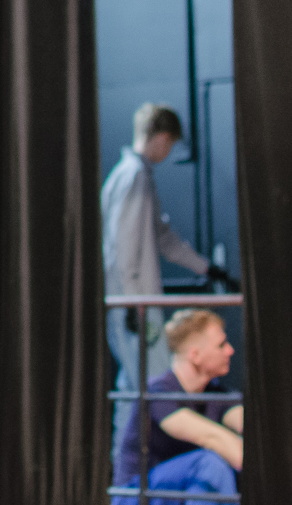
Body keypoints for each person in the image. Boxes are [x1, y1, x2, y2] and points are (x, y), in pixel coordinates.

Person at [102, 103, 226, 452]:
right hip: (134, 304)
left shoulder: (131, 176)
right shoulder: (134, 178)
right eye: (170, 143)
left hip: (130, 301)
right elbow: (124, 247)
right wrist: (133, 304)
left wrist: (207, 268)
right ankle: (139, 469)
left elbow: (163, 238)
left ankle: (124, 470)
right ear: (162, 137)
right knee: (154, 385)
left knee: (132, 387)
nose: (168, 151)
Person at [114, 308, 243, 501]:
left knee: (214, 473)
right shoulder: (158, 392)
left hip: (180, 493)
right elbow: (211, 437)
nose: (230, 350)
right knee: (209, 464)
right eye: (221, 345)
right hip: (135, 496)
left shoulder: (218, 394)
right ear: (195, 355)